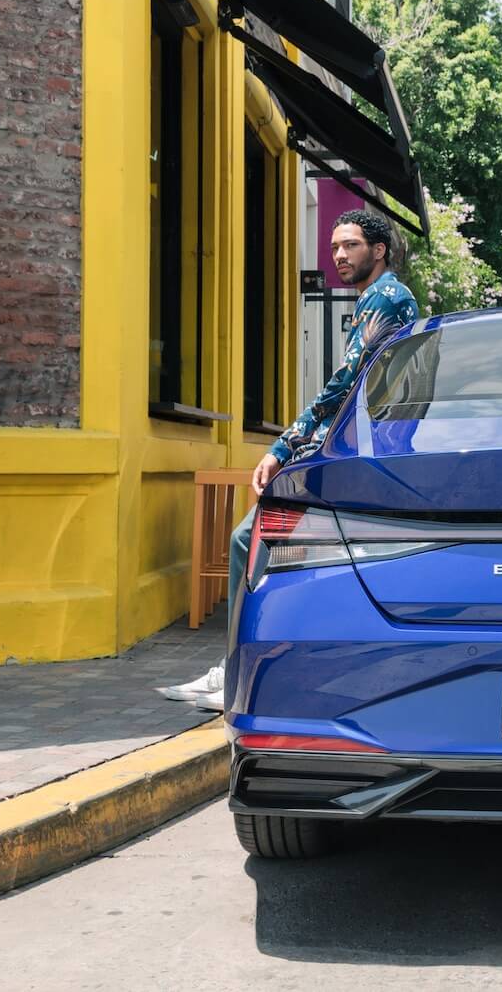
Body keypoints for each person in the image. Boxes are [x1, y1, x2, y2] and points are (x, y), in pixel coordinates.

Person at [161, 210, 419, 711]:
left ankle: (238, 670)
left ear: (379, 250)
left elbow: (347, 385)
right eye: (335, 246)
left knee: (250, 540)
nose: (339, 255)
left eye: (350, 245)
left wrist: (283, 447)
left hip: (348, 451)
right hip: (363, 449)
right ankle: (254, 667)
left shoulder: (385, 298)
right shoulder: (385, 298)